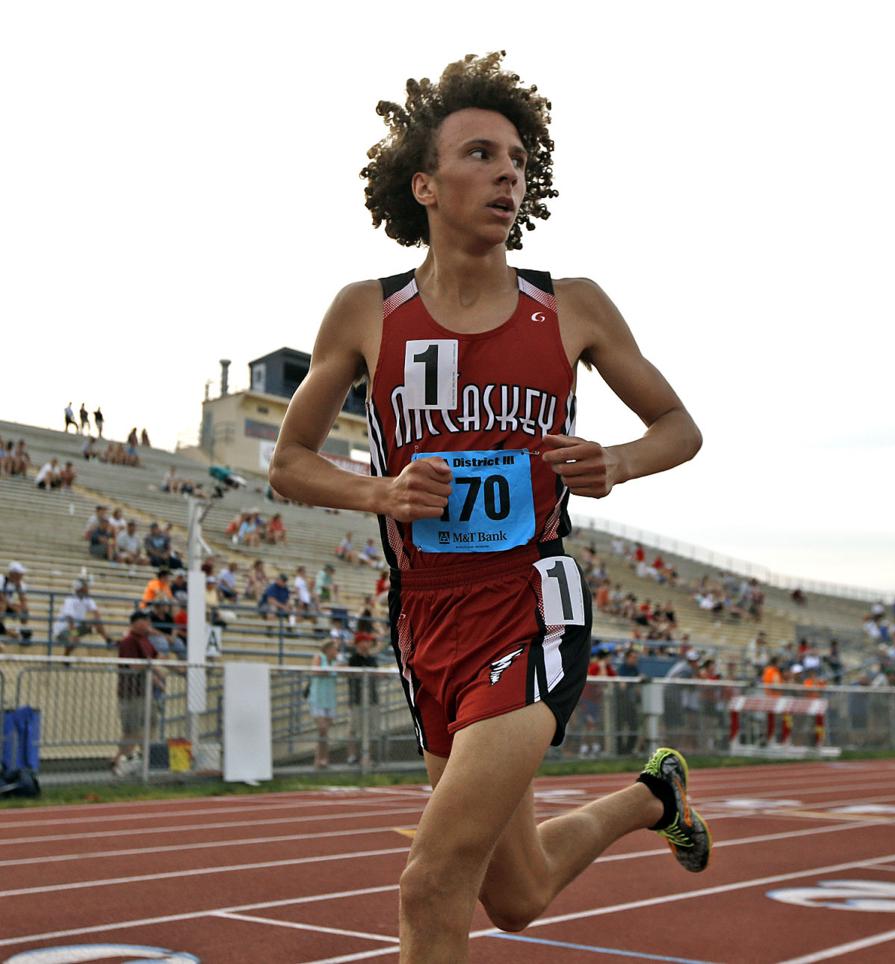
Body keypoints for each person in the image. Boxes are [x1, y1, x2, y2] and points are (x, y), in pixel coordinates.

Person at [267, 53, 708, 958]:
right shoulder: (366, 313)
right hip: (425, 618)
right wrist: (380, 491)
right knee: (517, 895)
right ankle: (652, 798)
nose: (507, 172)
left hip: (530, 604)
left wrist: (615, 461)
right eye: (480, 153)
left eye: (516, 158)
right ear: (424, 184)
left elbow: (679, 426)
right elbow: (289, 463)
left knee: (432, 881)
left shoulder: (571, 307)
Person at [112, 610, 164, 774]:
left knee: (151, 724)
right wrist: (153, 669)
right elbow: (135, 667)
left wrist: (157, 678)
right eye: (145, 621)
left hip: (145, 692)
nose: (148, 624)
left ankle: (146, 759)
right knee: (132, 730)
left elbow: (154, 660)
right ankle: (119, 762)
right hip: (132, 693)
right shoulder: (128, 642)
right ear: (135, 623)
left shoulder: (146, 641)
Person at [346, 631, 383, 764]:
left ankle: (367, 757)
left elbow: (376, 675)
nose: (368, 644)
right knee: (354, 729)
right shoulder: (353, 659)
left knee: (372, 729)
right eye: (365, 641)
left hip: (371, 698)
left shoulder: (372, 659)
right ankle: (352, 756)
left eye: (368, 641)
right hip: (357, 699)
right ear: (359, 643)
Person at [51, 579, 113, 658]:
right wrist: (75, 635)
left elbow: (96, 613)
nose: (88, 588)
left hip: (76, 627)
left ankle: (108, 640)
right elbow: (70, 620)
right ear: (80, 588)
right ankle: (65, 657)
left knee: (96, 621)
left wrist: (96, 624)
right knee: (74, 640)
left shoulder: (87, 598)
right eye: (85, 586)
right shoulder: (70, 600)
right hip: (62, 630)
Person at [308, 637, 340, 768]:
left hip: (330, 699)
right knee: (322, 729)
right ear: (328, 649)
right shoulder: (319, 657)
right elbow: (316, 670)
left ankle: (324, 759)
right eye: (334, 649)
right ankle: (318, 759)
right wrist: (330, 670)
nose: (336, 651)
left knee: (325, 732)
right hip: (318, 699)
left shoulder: (335, 662)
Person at [0, 561, 32, 646]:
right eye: (19, 573)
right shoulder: (1, 579)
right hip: (3, 605)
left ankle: (23, 630)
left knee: (24, 609)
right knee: (2, 605)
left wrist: (19, 589)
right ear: (12, 573)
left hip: (7, 605)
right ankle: (8, 631)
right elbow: (1, 597)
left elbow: (24, 601)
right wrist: (13, 607)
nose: (21, 575)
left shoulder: (20, 584)